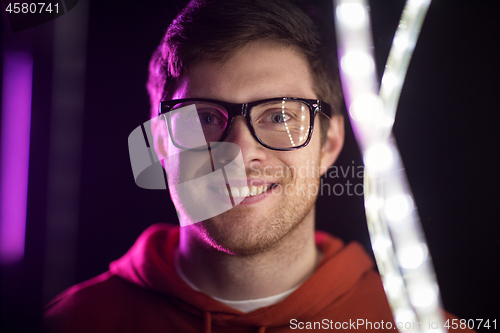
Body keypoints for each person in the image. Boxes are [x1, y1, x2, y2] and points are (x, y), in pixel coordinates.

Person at [44, 0, 473, 332]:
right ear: (161, 142)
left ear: (331, 144)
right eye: (204, 118)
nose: (239, 151)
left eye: (280, 115)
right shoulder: (70, 323)